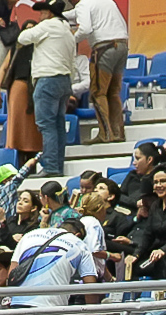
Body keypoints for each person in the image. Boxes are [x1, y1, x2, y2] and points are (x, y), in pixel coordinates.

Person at [18, 1, 76, 178]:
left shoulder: (48, 26)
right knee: (58, 125)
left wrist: (33, 28)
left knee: (47, 125)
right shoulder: (68, 31)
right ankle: (57, 165)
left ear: (50, 14)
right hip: (64, 79)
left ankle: (50, 167)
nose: (40, 17)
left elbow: (23, 38)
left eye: (42, 13)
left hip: (47, 78)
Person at [71, 0, 128, 144]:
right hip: (121, 45)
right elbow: (74, 13)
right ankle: (118, 132)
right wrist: (58, 14)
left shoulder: (83, 5)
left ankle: (105, 134)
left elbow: (85, 29)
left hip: (104, 47)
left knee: (98, 92)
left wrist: (71, 40)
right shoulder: (106, 1)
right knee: (113, 92)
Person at [0, 20, 43, 164]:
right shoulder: (16, 48)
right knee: (18, 127)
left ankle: (33, 160)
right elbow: (3, 69)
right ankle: (21, 160)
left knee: (33, 129)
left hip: (36, 87)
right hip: (19, 87)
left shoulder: (41, 48)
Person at [120, 142, 163, 213]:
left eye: (138, 158)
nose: (134, 163)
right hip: (128, 213)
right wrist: (135, 203)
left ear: (149, 160)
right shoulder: (132, 175)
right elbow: (119, 195)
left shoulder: (159, 178)